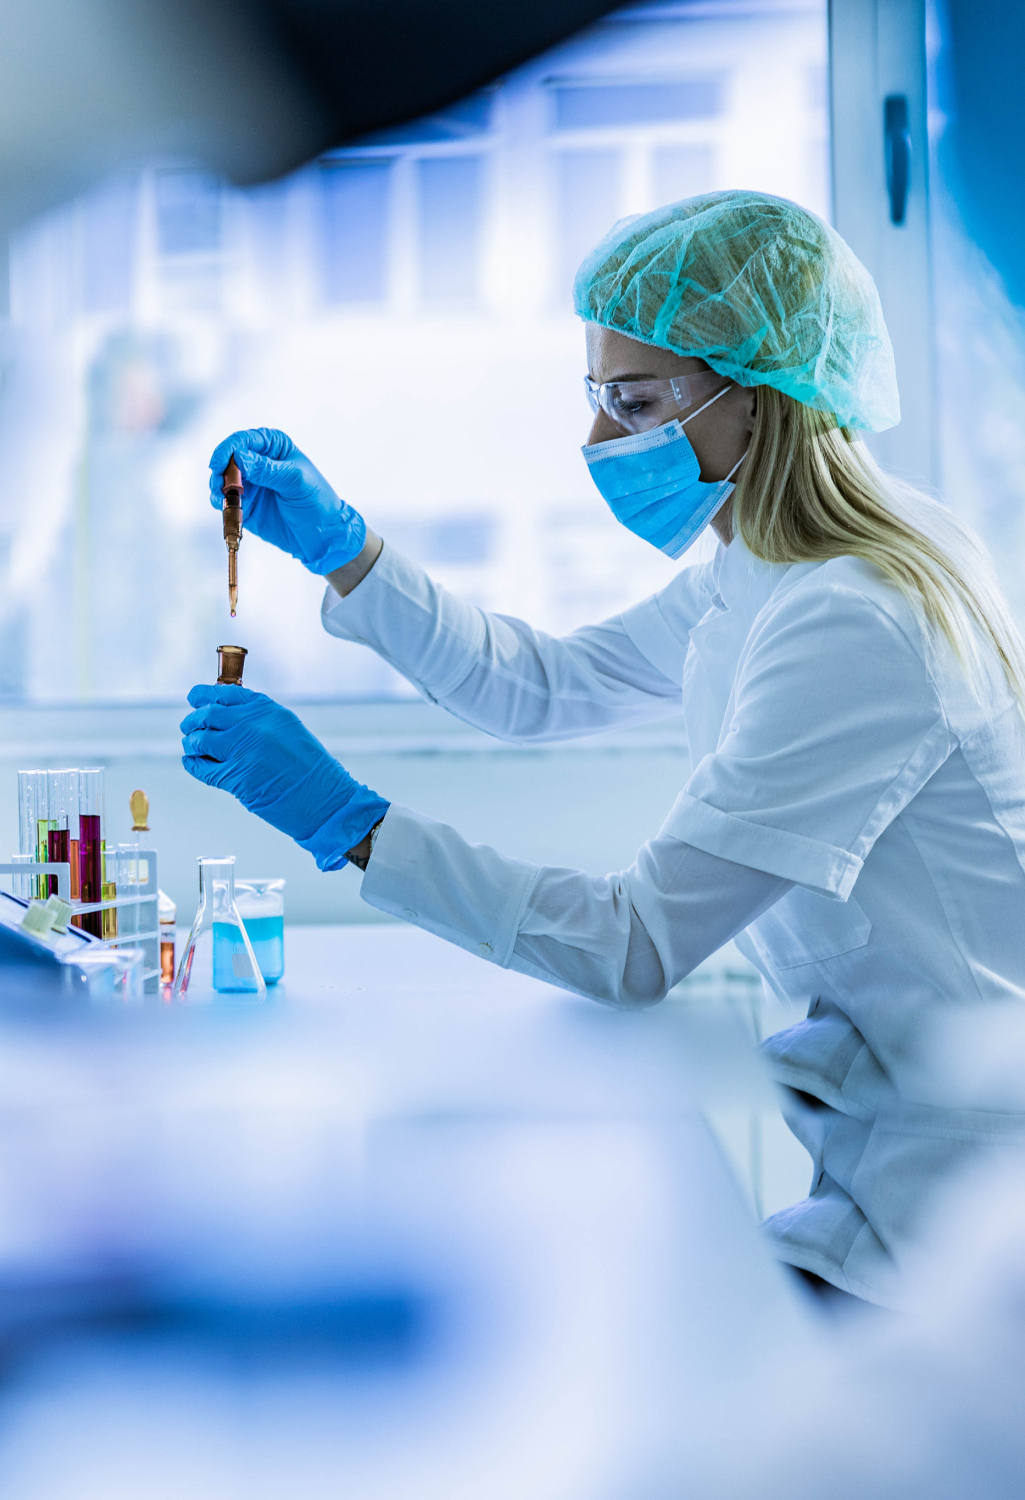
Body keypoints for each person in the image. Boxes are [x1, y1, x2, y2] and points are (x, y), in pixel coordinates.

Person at [181, 190, 1025, 1306]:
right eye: (597, 400)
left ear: (761, 399)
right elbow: (544, 687)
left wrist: (351, 824)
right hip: (889, 1184)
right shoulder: (772, 569)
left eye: (632, 405)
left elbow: (631, 948)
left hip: (960, 1229)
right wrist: (348, 553)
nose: (595, 442)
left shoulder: (853, 613)